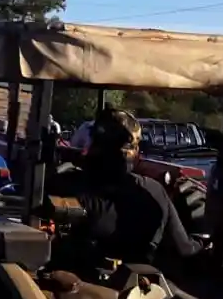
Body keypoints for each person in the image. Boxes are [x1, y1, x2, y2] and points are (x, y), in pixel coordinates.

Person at [52, 108, 203, 265]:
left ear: (93, 144)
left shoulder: (68, 186)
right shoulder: (153, 191)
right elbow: (185, 249)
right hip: (140, 284)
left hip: (77, 281)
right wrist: (204, 239)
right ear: (135, 150)